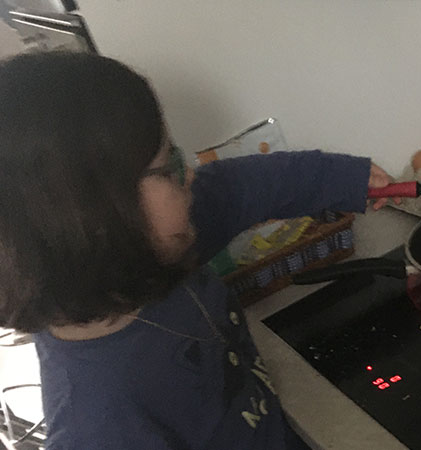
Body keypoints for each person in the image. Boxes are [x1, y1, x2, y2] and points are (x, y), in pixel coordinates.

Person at [0, 51, 398, 449]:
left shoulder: (148, 249)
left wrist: (343, 177)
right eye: (168, 166)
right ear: (97, 216)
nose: (189, 175)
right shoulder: (99, 426)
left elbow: (238, 187)